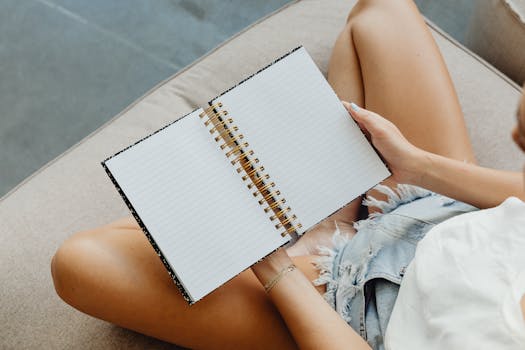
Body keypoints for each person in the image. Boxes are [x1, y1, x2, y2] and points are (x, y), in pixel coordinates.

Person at [50, 0, 525, 349]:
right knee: (382, 13)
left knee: (80, 262)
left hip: (357, 312)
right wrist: (417, 164)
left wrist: (273, 267)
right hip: (443, 212)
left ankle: (321, 230)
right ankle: (331, 221)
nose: (514, 135)